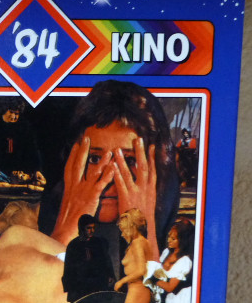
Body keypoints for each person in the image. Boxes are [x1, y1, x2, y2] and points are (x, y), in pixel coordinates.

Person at [38, 80, 180, 263]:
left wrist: (143, 236)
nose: (109, 177)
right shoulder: (20, 232)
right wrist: (65, 233)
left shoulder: (183, 244)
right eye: (95, 159)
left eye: (129, 161)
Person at [151, 219, 195, 303]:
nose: (169, 240)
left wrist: (152, 279)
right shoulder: (166, 252)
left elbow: (170, 287)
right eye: (169, 236)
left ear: (182, 240)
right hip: (168, 299)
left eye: (173, 238)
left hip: (180, 299)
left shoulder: (185, 261)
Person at [0, 99, 45, 182]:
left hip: (16, 172)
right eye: (11, 112)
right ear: (4, 110)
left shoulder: (24, 127)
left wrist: (37, 169)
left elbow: (32, 149)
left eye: (16, 114)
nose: (13, 117)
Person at [61, 214, 115, 303]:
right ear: (82, 228)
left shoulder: (99, 243)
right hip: (80, 288)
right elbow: (68, 269)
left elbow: (106, 261)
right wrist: (71, 289)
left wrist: (110, 276)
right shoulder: (73, 245)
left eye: (93, 228)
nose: (92, 231)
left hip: (97, 286)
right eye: (88, 228)